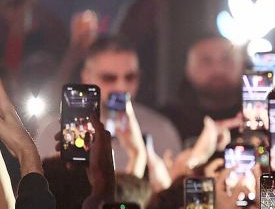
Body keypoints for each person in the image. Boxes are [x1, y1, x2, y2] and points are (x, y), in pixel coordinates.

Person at [35, 38, 182, 171]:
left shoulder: (161, 131)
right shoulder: (54, 131)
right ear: (86, 76)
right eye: (109, 78)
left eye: (130, 77)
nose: (121, 87)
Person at [161, 37, 244, 142]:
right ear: (189, 69)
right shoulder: (164, 124)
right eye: (206, 61)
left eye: (226, 59)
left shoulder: (260, 120)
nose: (218, 70)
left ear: (242, 65)